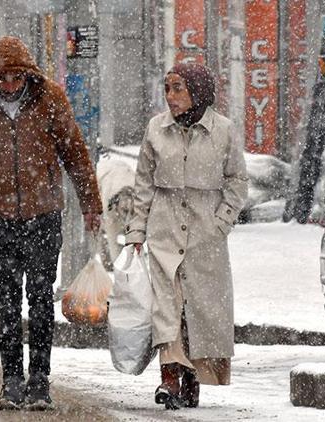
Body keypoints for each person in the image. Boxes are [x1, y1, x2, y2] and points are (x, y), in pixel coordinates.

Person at [0, 36, 102, 411]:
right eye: (4, 79)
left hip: (43, 216)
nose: (11, 86)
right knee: (8, 301)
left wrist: (90, 202)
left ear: (28, 76)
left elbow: (75, 153)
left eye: (17, 79)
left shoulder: (50, 99)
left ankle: (40, 380)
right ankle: (11, 380)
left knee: (41, 299)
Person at [125, 63, 248, 410]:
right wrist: (137, 230)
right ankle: (169, 378)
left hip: (204, 237)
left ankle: (192, 379)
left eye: (178, 88)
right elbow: (144, 184)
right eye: (168, 88)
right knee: (166, 306)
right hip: (164, 232)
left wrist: (220, 222)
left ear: (198, 90)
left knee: (200, 310)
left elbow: (237, 182)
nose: (171, 96)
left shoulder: (222, 130)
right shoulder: (156, 129)